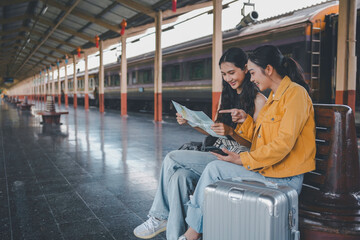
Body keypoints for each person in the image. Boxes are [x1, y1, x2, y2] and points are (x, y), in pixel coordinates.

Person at [179, 45, 316, 240]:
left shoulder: (295, 94)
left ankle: (191, 235)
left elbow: (283, 144)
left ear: (268, 70)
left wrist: (242, 159)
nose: (251, 79)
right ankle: (194, 232)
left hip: (285, 178)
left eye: (252, 73)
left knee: (214, 169)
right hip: (270, 170)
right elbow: (262, 139)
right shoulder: (274, 98)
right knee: (211, 169)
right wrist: (246, 122)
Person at [133, 47, 266, 240]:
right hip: (217, 151)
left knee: (172, 158)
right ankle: (175, 236)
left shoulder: (259, 100)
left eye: (232, 72)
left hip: (236, 159)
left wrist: (231, 132)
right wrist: (191, 122)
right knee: (179, 177)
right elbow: (214, 131)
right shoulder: (227, 96)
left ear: (245, 69)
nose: (228, 78)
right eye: (224, 74)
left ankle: (159, 216)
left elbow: (256, 146)